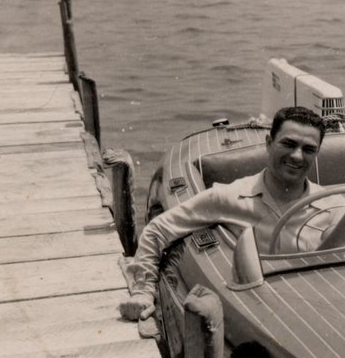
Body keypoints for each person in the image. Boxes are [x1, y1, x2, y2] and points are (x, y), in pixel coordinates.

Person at [118, 106, 334, 321]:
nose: (297, 156)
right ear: (268, 143)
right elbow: (158, 229)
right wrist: (143, 291)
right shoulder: (228, 197)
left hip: (317, 309)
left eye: (308, 149)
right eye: (288, 144)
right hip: (258, 312)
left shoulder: (335, 206)